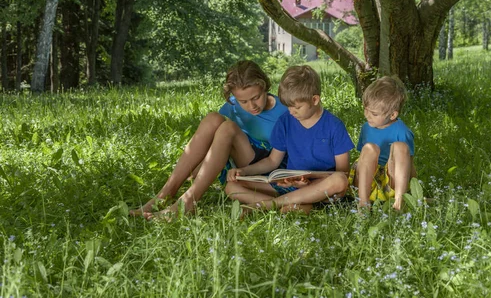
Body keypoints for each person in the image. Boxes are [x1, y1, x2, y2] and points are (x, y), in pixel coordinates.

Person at [129, 60, 288, 219]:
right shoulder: (233, 106)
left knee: (228, 128)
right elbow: (213, 137)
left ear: (264, 86)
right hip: (241, 160)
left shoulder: (284, 110)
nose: (251, 106)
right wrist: (197, 167)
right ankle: (165, 194)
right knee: (213, 118)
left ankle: (188, 202)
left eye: (256, 97)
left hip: (268, 165)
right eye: (243, 101)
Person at [225, 65, 354, 214]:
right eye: (288, 107)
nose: (291, 112)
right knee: (231, 186)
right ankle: (296, 204)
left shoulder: (334, 126)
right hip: (291, 186)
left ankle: (270, 204)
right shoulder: (285, 121)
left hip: (322, 188)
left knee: (340, 181)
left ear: (314, 99)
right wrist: (243, 171)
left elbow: (343, 173)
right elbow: (272, 161)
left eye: (297, 107)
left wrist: (308, 178)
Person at [349, 76, 415, 211]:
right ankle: (363, 204)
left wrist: (413, 187)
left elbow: (409, 164)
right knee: (369, 148)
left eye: (373, 113)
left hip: (390, 181)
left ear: (392, 115)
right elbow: (363, 159)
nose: (367, 115)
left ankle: (399, 201)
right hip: (367, 181)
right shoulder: (366, 127)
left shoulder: (402, 132)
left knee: (400, 147)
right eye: (365, 109)